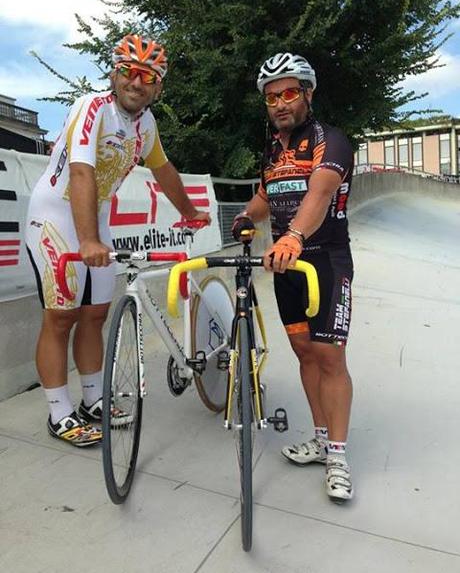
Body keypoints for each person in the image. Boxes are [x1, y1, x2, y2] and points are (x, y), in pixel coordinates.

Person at [26, 34, 210, 447]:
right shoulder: (93, 107)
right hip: (55, 216)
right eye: (129, 71)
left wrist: (190, 213)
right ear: (115, 73)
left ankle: (94, 400)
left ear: (158, 86)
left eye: (148, 76)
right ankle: (59, 413)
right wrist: (88, 239)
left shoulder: (146, 125)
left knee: (95, 315)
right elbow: (81, 173)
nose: (136, 82)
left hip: (95, 223)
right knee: (60, 317)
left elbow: (164, 171)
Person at [232, 52, 354, 501]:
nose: (279, 104)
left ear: (307, 92)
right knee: (304, 354)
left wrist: (295, 236)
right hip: (287, 266)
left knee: (329, 358)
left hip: (324, 262)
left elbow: (320, 192)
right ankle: (321, 440)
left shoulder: (331, 139)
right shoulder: (273, 148)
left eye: (287, 93)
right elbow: (268, 193)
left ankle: (339, 455)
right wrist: (246, 214)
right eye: (271, 97)